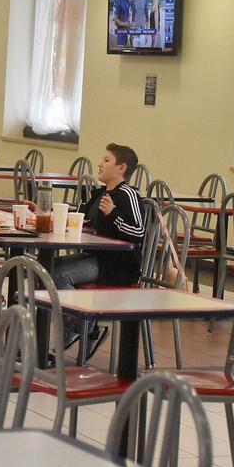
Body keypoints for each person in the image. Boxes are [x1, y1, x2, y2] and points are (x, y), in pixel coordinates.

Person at [53, 143, 145, 360]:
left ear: (121, 168)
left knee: (59, 275)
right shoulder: (99, 193)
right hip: (96, 256)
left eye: (106, 160)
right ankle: (86, 327)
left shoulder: (127, 194)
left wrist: (113, 214)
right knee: (46, 267)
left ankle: (84, 326)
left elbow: (139, 231)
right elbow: (80, 221)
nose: (100, 164)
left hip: (118, 265)